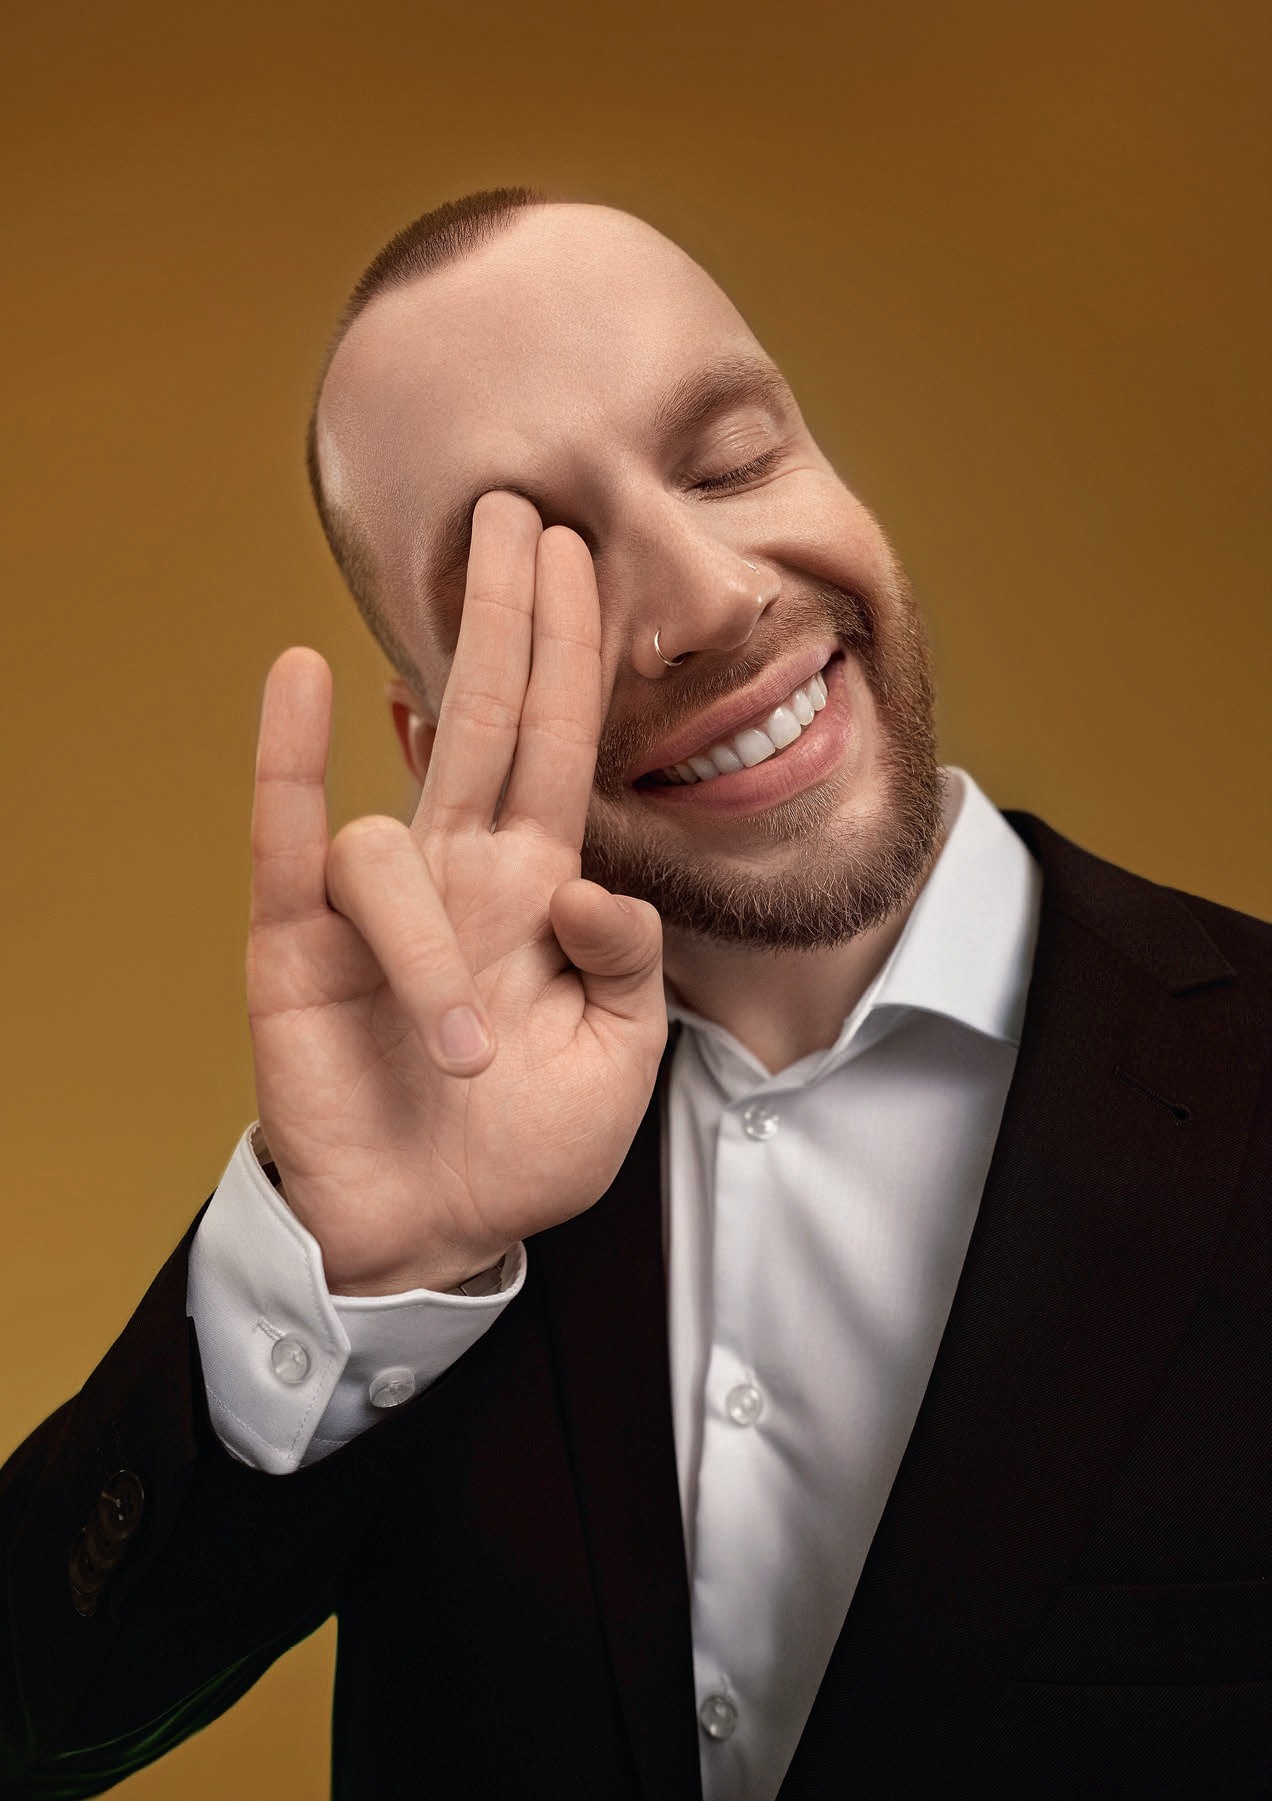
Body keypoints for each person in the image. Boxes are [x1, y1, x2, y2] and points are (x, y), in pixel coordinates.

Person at [1, 189, 1267, 1801]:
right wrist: (359, 1266)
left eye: (731, 461)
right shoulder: (419, 1191)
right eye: (544, 579)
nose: (708, 600)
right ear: (433, 743)